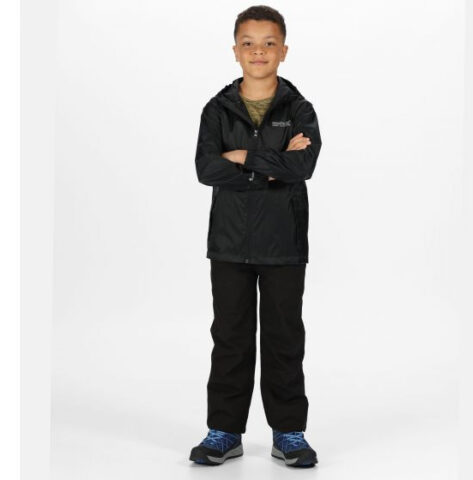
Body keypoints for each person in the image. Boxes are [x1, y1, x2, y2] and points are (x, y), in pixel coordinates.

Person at [189, 5, 322, 468]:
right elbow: (207, 169)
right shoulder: (217, 109)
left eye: (269, 43)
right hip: (229, 243)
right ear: (235, 50)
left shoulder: (300, 110)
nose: (258, 51)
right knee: (230, 339)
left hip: (284, 244)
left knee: (284, 339)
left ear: (284, 51)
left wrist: (242, 155)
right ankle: (224, 431)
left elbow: (303, 166)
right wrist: (273, 164)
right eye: (248, 43)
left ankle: (289, 432)